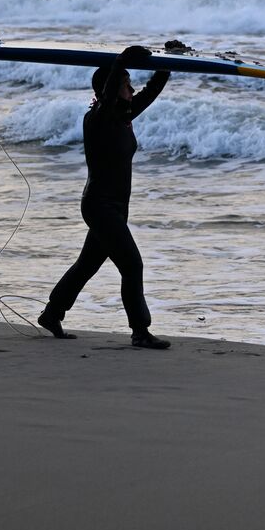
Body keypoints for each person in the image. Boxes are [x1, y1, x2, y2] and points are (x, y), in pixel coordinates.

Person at [38, 46, 171, 348]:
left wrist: (165, 65)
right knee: (132, 266)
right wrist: (121, 61)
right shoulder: (97, 118)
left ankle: (52, 314)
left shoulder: (123, 115)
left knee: (87, 265)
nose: (132, 89)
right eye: (126, 83)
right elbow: (110, 93)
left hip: (115, 207)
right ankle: (140, 331)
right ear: (109, 88)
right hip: (100, 206)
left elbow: (150, 92)